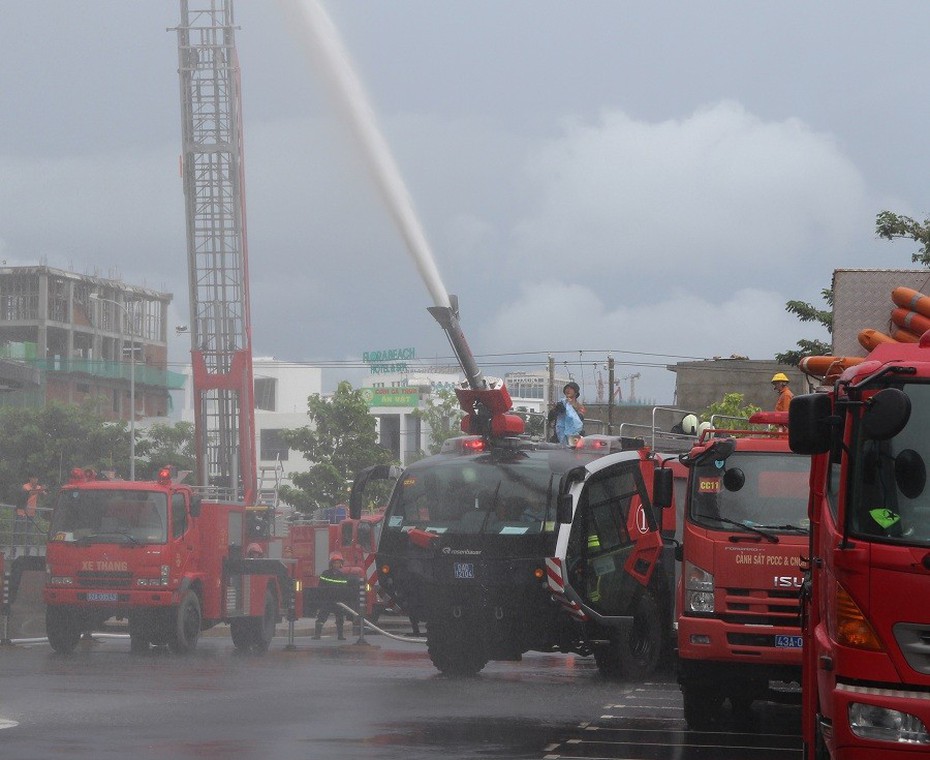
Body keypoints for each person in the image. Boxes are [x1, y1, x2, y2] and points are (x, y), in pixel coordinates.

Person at [313, 552, 351, 640]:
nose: (337, 565)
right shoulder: (325, 573)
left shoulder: (342, 576)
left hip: (338, 601)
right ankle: (317, 635)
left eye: (338, 563)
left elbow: (344, 589)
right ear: (331, 564)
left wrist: (343, 600)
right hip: (327, 600)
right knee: (321, 617)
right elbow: (321, 587)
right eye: (335, 563)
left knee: (340, 618)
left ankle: (340, 636)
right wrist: (322, 599)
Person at [15, 476, 47, 557]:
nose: (35, 480)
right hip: (21, 512)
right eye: (33, 478)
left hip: (31, 514)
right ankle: (13, 552)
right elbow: (29, 493)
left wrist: (43, 491)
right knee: (17, 533)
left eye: (36, 478)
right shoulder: (25, 486)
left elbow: (45, 494)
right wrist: (40, 490)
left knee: (29, 534)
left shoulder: (38, 487)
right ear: (30, 479)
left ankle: (27, 554)